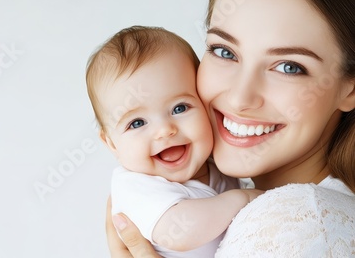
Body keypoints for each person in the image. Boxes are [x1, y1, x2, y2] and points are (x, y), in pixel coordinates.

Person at [106, 0, 355, 257]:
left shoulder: (295, 225)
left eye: (289, 67)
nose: (239, 98)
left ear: (350, 87)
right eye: (224, 52)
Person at [86, 25, 263, 257]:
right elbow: (180, 231)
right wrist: (243, 198)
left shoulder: (219, 167)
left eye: (180, 108)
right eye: (137, 123)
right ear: (111, 144)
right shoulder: (135, 186)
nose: (164, 130)